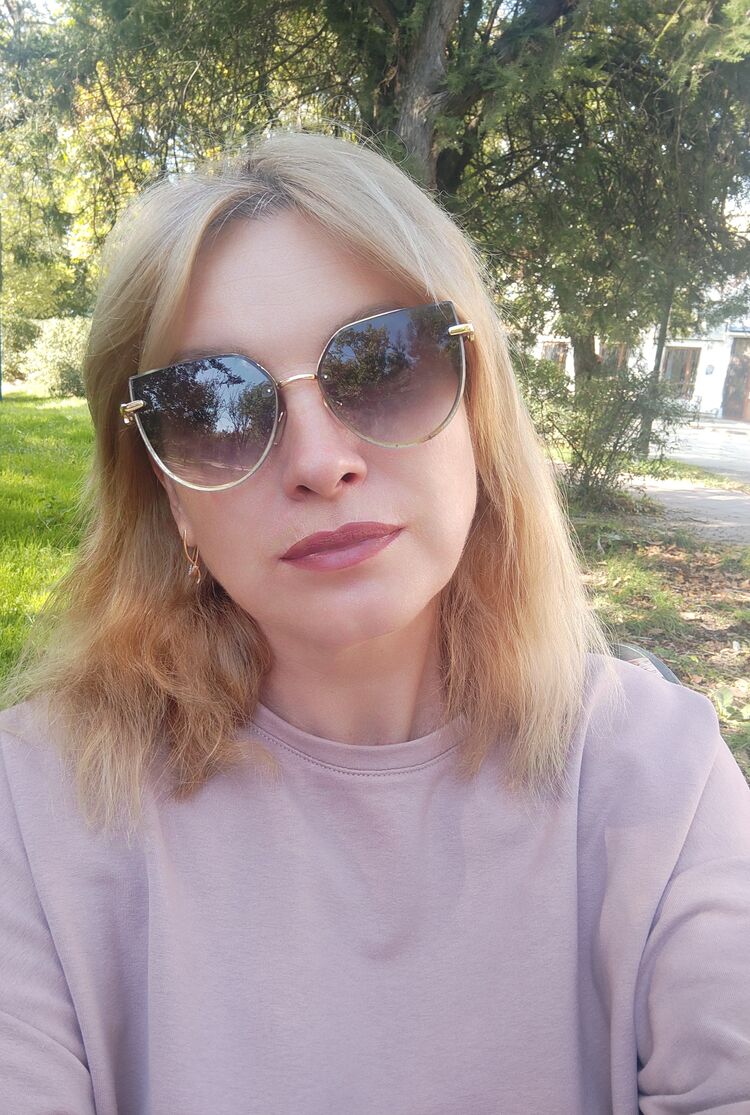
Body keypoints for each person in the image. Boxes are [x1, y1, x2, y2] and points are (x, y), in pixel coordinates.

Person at [0, 128, 748, 1115]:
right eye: (216, 408)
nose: (320, 461)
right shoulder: (35, 807)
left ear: (479, 413)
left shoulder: (659, 775)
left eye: (385, 365)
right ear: (169, 492)